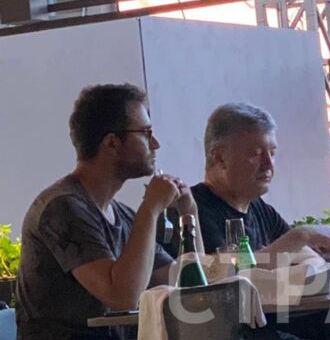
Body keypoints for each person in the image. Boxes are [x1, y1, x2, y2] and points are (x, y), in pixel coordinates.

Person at [15, 84, 201, 339]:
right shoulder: (62, 207)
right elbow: (122, 296)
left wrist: (189, 213)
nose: (155, 144)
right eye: (146, 133)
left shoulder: (122, 215)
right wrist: (150, 208)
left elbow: (189, 282)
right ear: (112, 143)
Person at [180, 103, 330, 267]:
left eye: (272, 153)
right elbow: (220, 272)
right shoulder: (190, 210)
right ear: (220, 158)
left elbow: (314, 260)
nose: (268, 164)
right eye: (256, 154)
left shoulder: (260, 209)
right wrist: (300, 236)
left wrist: (270, 257)